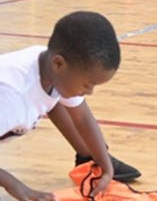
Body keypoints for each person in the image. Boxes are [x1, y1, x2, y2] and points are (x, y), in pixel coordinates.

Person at [0, 12, 141, 200]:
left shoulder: (47, 63)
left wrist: (105, 165)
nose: (89, 92)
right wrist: (18, 187)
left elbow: (82, 117)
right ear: (59, 63)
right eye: (87, 84)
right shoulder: (12, 96)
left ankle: (87, 157)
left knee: (56, 99)